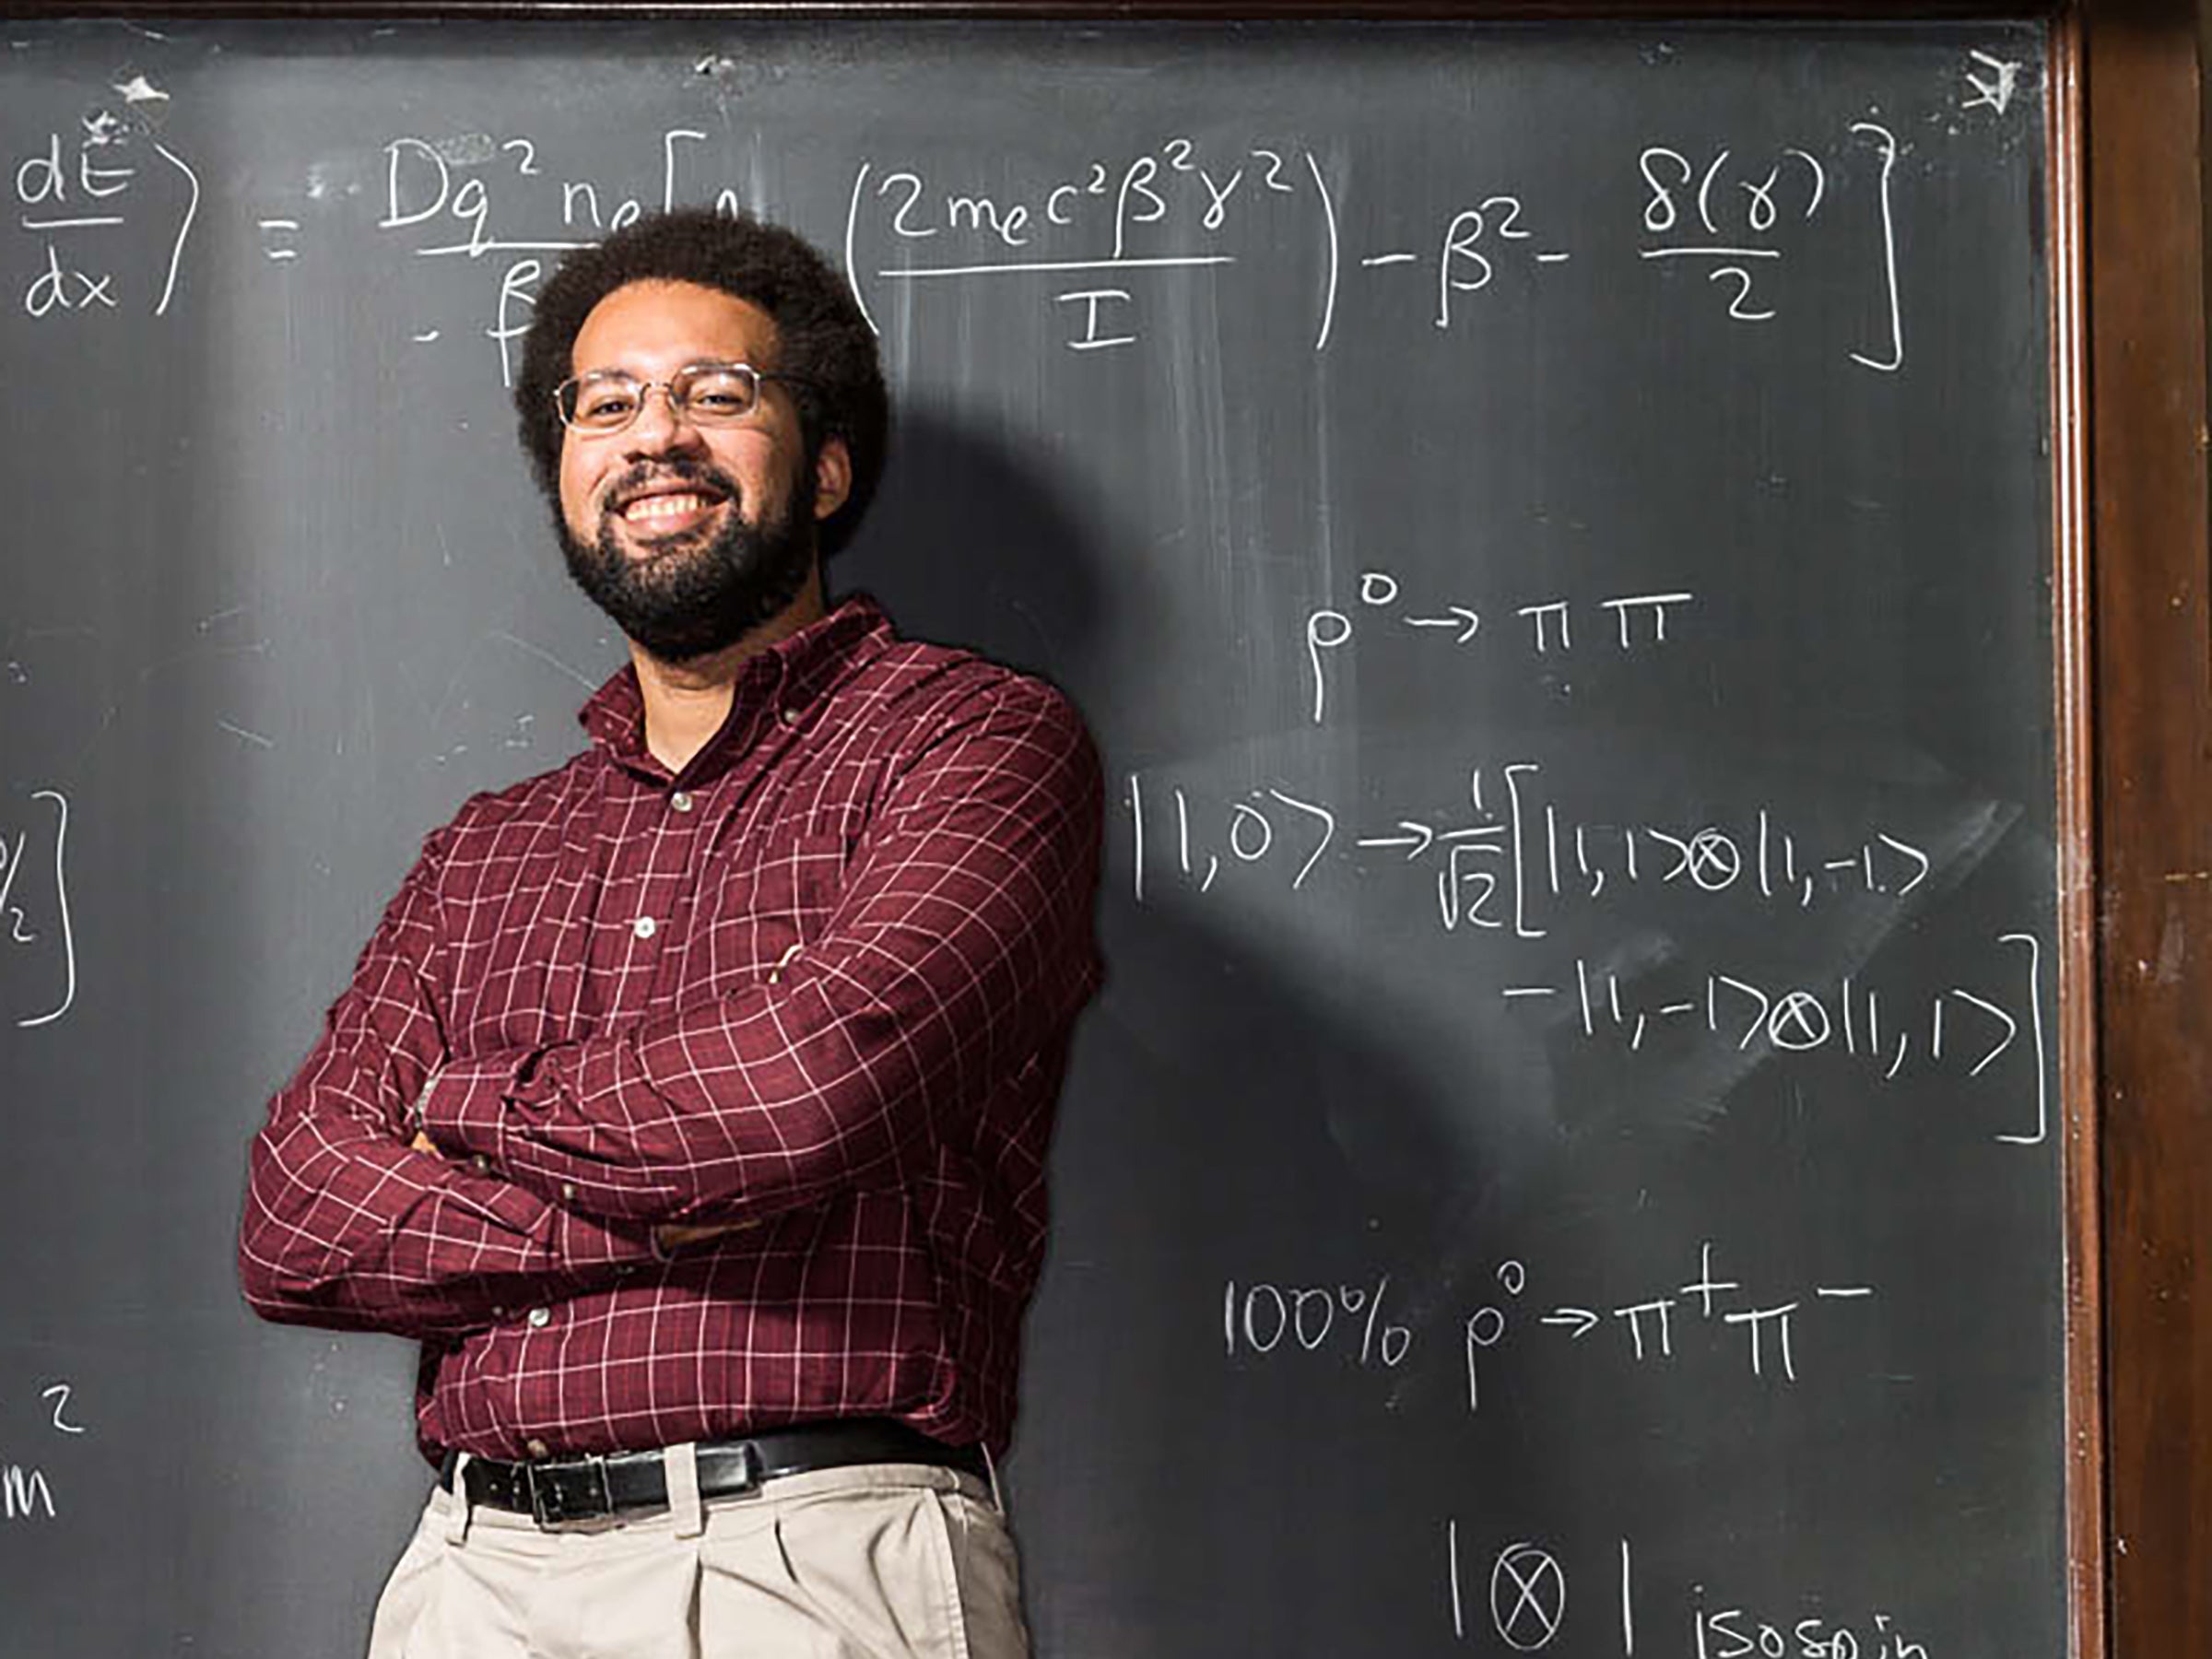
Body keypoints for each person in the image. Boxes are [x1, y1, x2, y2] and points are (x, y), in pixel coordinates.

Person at [238, 206, 1104, 1659]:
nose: (658, 436)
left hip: (808, 1558)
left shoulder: (973, 744)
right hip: (470, 1578)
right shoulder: (486, 849)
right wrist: (682, 1193)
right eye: (609, 402)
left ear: (825, 467)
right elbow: (296, 1220)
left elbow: (803, 1095)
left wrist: (460, 1111)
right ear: (568, 469)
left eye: (717, 393)